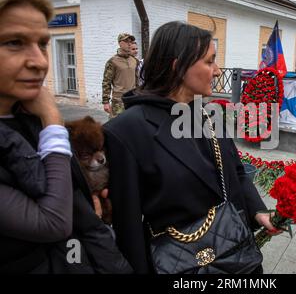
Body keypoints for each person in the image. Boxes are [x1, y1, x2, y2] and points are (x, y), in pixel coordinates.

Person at [103, 21, 279, 274]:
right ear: (178, 67)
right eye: (209, 62)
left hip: (237, 257)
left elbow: (236, 173)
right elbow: (128, 228)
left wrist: (258, 211)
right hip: (182, 265)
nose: (218, 71)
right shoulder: (126, 131)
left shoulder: (209, 114)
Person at [0, 0, 132, 274]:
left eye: (43, 44)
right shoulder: (48, 122)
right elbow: (54, 223)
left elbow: (81, 216)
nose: (39, 61)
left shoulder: (28, 120)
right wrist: (52, 121)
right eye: (14, 43)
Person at [102, 32, 138, 118]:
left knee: (132, 123)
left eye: (131, 41)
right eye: (126, 41)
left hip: (132, 99)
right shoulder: (113, 61)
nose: (129, 44)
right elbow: (106, 82)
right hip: (118, 101)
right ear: (120, 43)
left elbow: (137, 80)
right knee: (116, 125)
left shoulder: (134, 60)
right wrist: (106, 102)